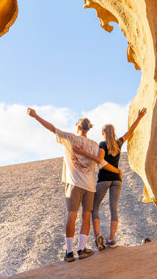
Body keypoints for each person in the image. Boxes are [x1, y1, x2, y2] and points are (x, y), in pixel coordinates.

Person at [27, 108, 106, 262]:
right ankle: (82, 249)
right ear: (89, 129)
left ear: (78, 127)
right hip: (89, 185)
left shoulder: (69, 138)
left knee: (71, 215)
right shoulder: (95, 145)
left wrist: (35, 116)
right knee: (86, 217)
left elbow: (51, 128)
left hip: (74, 183)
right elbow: (99, 160)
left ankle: (69, 252)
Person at [92, 107, 147, 249]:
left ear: (103, 133)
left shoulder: (102, 144)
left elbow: (101, 161)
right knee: (113, 209)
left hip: (104, 179)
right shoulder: (118, 143)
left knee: (94, 207)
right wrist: (139, 117)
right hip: (117, 180)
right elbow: (130, 132)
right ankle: (111, 239)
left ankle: (97, 236)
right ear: (114, 132)